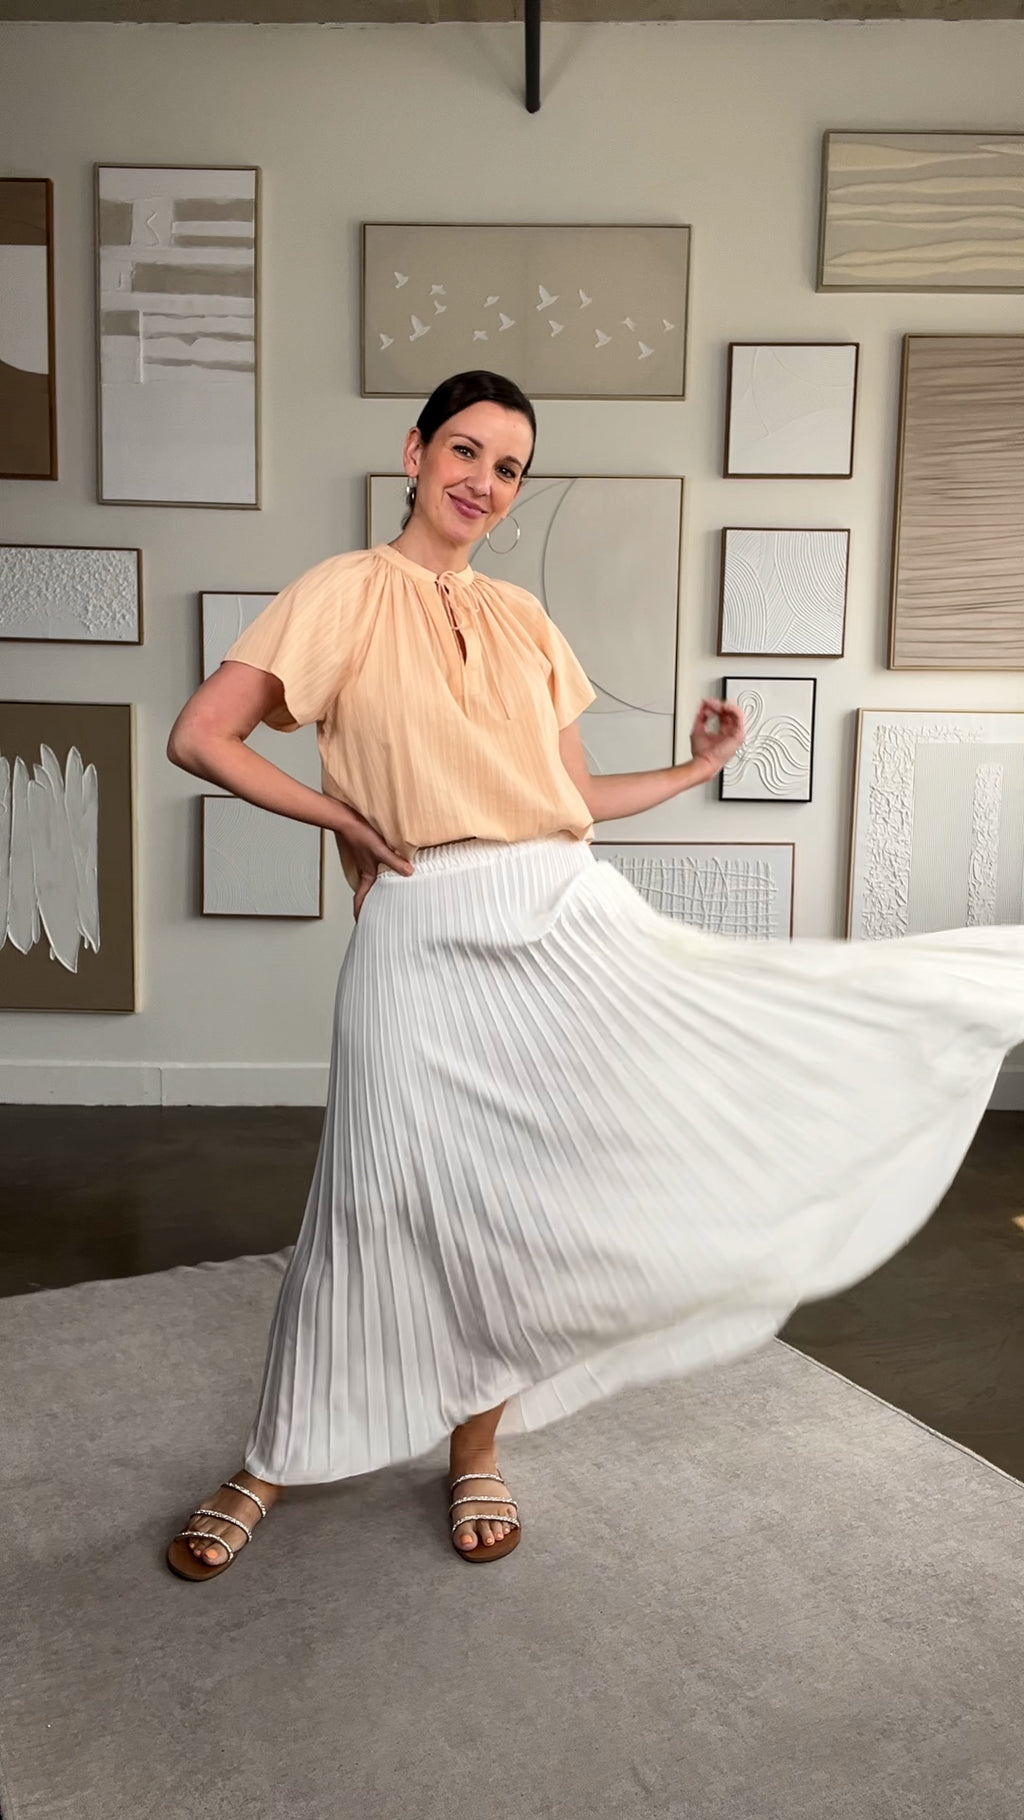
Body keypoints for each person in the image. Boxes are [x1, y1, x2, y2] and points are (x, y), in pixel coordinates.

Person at [165, 369, 1024, 1580]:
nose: (482, 480)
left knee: (521, 1199)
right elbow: (200, 735)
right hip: (421, 920)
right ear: (414, 452)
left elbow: (568, 798)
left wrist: (693, 768)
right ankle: (274, 1455)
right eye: (464, 450)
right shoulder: (338, 593)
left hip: (559, 911)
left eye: (508, 466)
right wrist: (342, 818)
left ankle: (475, 1447)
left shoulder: (524, 619)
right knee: (369, 1197)